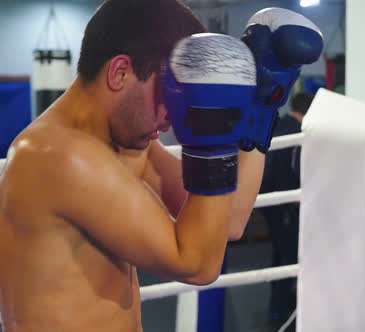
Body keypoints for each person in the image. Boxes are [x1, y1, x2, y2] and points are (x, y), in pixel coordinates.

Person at [0, 1, 323, 331]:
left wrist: (260, 108)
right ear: (120, 72)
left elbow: (230, 220)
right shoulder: (58, 156)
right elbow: (196, 263)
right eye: (170, 95)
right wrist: (213, 137)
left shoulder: (129, 145)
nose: (172, 118)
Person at [259, 92, 314, 329]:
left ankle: (278, 312)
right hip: (281, 202)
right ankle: (286, 313)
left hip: (269, 199)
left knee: (282, 255)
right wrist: (297, 203)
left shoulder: (280, 124)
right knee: (291, 256)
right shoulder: (296, 132)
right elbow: (288, 172)